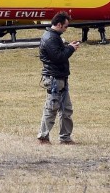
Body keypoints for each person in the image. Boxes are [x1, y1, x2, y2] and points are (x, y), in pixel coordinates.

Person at [37, 11, 81, 144]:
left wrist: (68, 47)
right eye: (66, 26)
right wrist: (71, 49)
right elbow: (58, 57)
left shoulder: (54, 37)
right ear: (59, 24)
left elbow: (59, 53)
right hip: (54, 79)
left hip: (60, 78)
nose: (66, 29)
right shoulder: (51, 38)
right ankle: (43, 137)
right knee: (51, 108)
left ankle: (65, 138)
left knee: (66, 109)